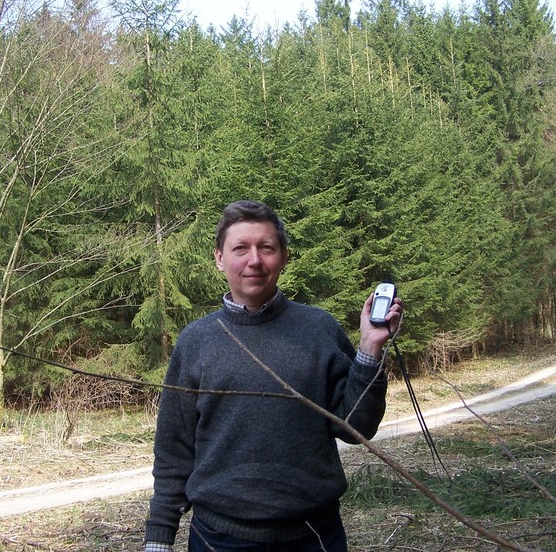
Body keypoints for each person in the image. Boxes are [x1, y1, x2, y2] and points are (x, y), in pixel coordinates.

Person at [144, 200, 403, 551]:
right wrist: (159, 537)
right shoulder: (195, 341)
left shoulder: (319, 329)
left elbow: (357, 428)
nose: (254, 260)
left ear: (282, 257)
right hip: (217, 538)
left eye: (266, 247)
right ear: (219, 258)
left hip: (313, 536)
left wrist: (370, 349)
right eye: (240, 248)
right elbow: (174, 449)